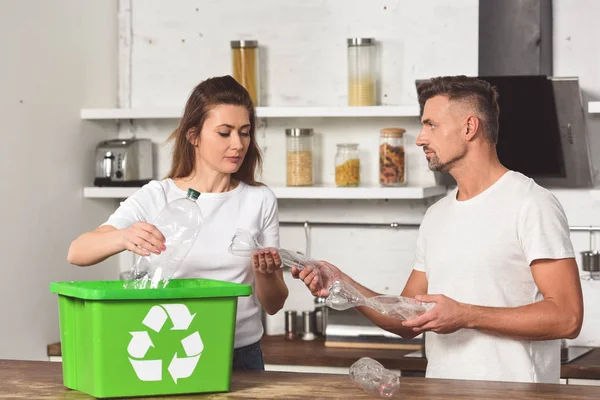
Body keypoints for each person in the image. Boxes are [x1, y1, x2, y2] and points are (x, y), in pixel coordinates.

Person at [293, 75, 583, 383]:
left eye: (431, 125)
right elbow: (406, 319)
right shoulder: (437, 215)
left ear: (469, 127)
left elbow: (567, 317)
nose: (420, 138)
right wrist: (343, 285)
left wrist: (466, 315)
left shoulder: (530, 203)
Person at [67, 75, 289, 371]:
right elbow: (77, 252)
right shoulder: (158, 195)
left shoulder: (259, 199)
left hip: (239, 354)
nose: (238, 144)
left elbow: (274, 305)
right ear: (193, 135)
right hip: (162, 349)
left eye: (245, 133)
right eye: (224, 133)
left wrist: (266, 274)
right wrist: (123, 237)